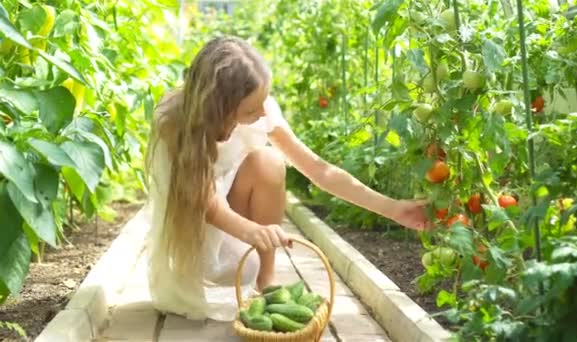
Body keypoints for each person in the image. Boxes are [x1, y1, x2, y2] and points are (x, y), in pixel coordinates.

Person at [142, 36, 429, 322]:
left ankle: (266, 280)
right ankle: (240, 265)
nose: (262, 113)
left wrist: (391, 208)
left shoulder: (260, 110)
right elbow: (203, 199)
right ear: (220, 108)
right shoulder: (175, 121)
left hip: (228, 207)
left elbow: (320, 170)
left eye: (262, 102)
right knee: (243, 261)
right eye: (251, 110)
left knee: (269, 162)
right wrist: (250, 231)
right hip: (192, 225)